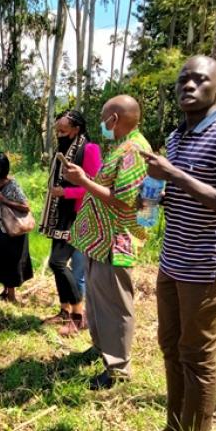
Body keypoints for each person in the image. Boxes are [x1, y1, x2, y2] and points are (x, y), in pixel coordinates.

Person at [142, 56, 216, 431]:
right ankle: (174, 430)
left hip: (207, 265)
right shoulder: (176, 138)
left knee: (198, 355)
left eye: (200, 80)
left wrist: (174, 174)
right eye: (183, 80)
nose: (189, 86)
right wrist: (153, 192)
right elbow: (177, 193)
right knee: (170, 345)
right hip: (173, 259)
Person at [64, 95, 152, 390]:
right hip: (101, 240)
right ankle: (101, 348)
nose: (102, 123)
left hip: (117, 241)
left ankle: (118, 368)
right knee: (98, 301)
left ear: (114, 119)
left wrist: (84, 181)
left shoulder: (134, 151)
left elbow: (126, 201)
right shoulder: (123, 148)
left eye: (104, 117)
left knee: (115, 305)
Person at [39, 110, 102, 336]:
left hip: (79, 216)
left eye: (63, 131)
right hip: (61, 215)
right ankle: (64, 310)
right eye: (57, 131)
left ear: (76, 129)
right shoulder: (63, 149)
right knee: (56, 265)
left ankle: (78, 314)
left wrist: (65, 192)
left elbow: (93, 187)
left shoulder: (90, 149)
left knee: (58, 263)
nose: (59, 134)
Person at [0, 152, 33, 303]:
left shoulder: (12, 185)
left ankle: (12, 296)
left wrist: (4, 200)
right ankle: (5, 291)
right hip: (1, 226)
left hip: (13, 229)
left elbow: (25, 207)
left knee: (11, 261)